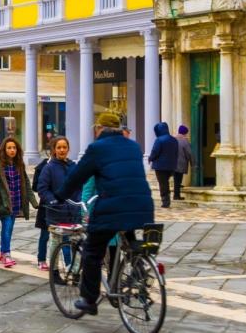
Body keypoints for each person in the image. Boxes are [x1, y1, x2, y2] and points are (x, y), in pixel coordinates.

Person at [56, 110, 155, 316]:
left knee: (93, 251)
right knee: (130, 241)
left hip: (112, 206)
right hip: (143, 206)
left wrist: (60, 195)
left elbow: (77, 176)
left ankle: (89, 300)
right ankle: (138, 274)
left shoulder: (97, 148)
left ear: (99, 128)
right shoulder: (134, 146)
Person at [0, 137, 30, 268]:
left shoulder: (19, 164)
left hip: (16, 202)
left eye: (14, 148)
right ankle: (6, 254)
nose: (12, 150)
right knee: (6, 227)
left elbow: (26, 183)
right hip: (4, 204)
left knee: (9, 228)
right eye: (9, 148)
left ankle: (2, 253)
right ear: (4, 150)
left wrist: (32, 201)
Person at [34, 136, 74, 270]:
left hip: (70, 211)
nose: (62, 150)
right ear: (54, 150)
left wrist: (78, 201)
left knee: (68, 240)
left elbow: (78, 186)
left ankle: (69, 266)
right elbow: (41, 188)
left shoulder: (73, 166)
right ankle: (53, 268)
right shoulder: (48, 167)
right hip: (54, 211)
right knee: (53, 239)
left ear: (68, 149)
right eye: (59, 147)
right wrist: (53, 201)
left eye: (64, 147)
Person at [148, 122, 181, 208]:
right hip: (171, 166)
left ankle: (165, 201)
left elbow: (155, 151)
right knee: (165, 182)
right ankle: (167, 200)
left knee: (163, 183)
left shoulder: (159, 140)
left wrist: (150, 158)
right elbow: (176, 153)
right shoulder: (174, 140)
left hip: (160, 166)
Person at [174, 125, 194, 201]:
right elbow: (189, 153)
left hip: (173, 163)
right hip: (181, 163)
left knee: (176, 180)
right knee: (178, 180)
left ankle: (176, 195)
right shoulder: (185, 141)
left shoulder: (173, 139)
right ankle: (176, 196)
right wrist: (193, 164)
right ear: (185, 133)